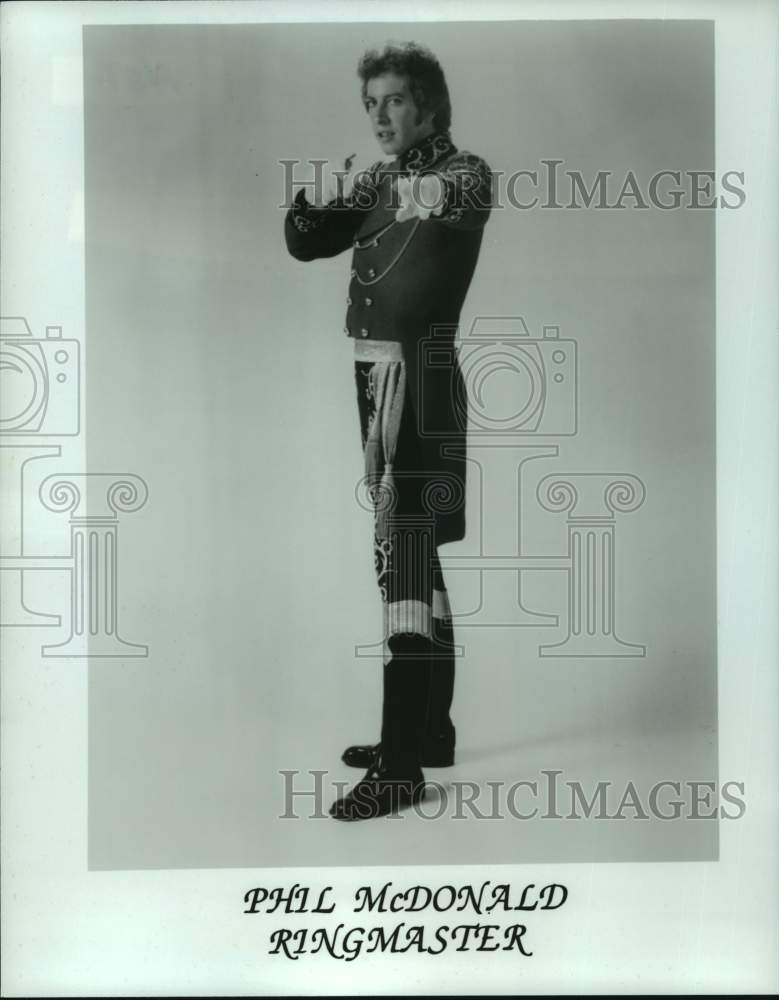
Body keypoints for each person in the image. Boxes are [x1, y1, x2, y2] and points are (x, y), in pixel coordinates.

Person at [284, 41, 492, 821]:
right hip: (374, 379)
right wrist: (313, 205)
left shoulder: (466, 171)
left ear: (429, 106)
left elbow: (435, 199)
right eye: (370, 103)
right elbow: (308, 242)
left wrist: (379, 191)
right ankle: (428, 731)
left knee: (403, 558)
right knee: (409, 555)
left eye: (394, 101)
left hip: (422, 379)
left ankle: (400, 767)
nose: (378, 116)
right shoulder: (381, 175)